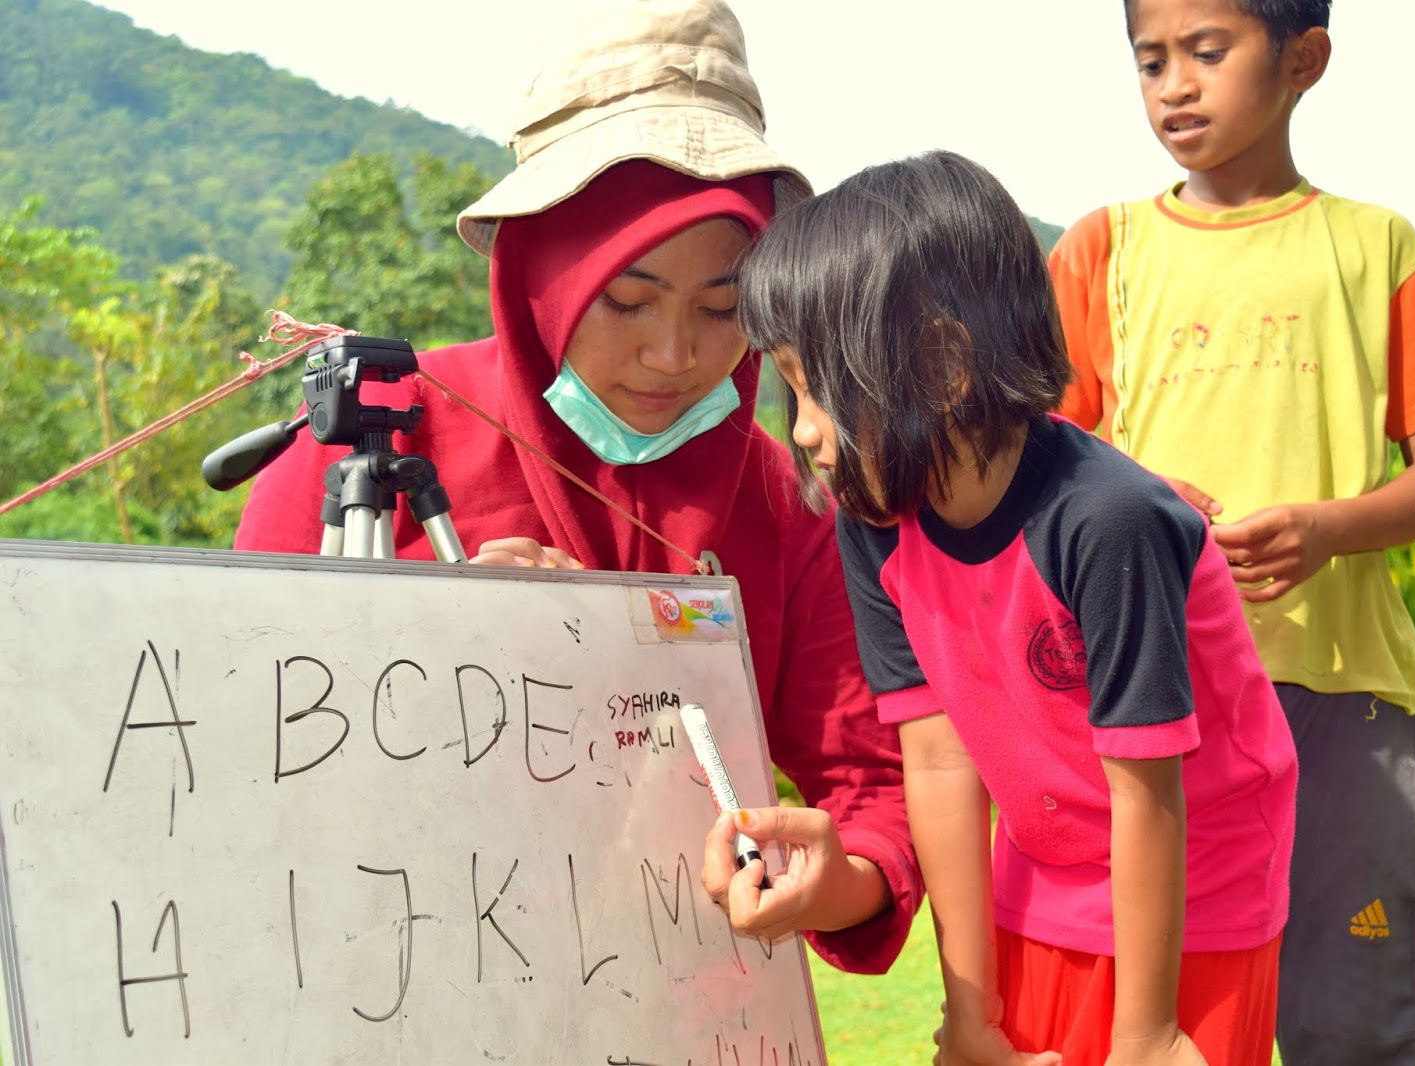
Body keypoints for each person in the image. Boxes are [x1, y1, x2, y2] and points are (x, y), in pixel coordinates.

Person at [233, 0, 921, 974]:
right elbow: (226, 743)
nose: (674, 353)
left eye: (723, 306)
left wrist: (847, 878)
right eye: (627, 299)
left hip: (683, 1009)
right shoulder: (372, 441)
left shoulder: (782, 502)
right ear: (541, 272)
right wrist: (415, 645)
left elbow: (869, 783)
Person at [739, 149, 1297, 1066]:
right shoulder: (877, 516)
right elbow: (939, 758)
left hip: (1196, 877)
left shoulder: (1109, 522)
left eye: (820, 389)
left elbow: (1147, 787)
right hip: (1041, 857)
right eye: (789, 388)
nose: (801, 430)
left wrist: (1150, 1036)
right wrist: (970, 1013)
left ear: (945, 368)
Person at [1047, 2, 1415, 1062]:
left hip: (1346, 692)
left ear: (1305, 59)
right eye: (1150, 58)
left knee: (1356, 1014)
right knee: (1187, 1009)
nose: (1173, 85)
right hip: (1156, 701)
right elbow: (1041, 468)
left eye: (1207, 53)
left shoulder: (1374, 244)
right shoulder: (1098, 249)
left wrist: (1329, 528)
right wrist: (1133, 490)